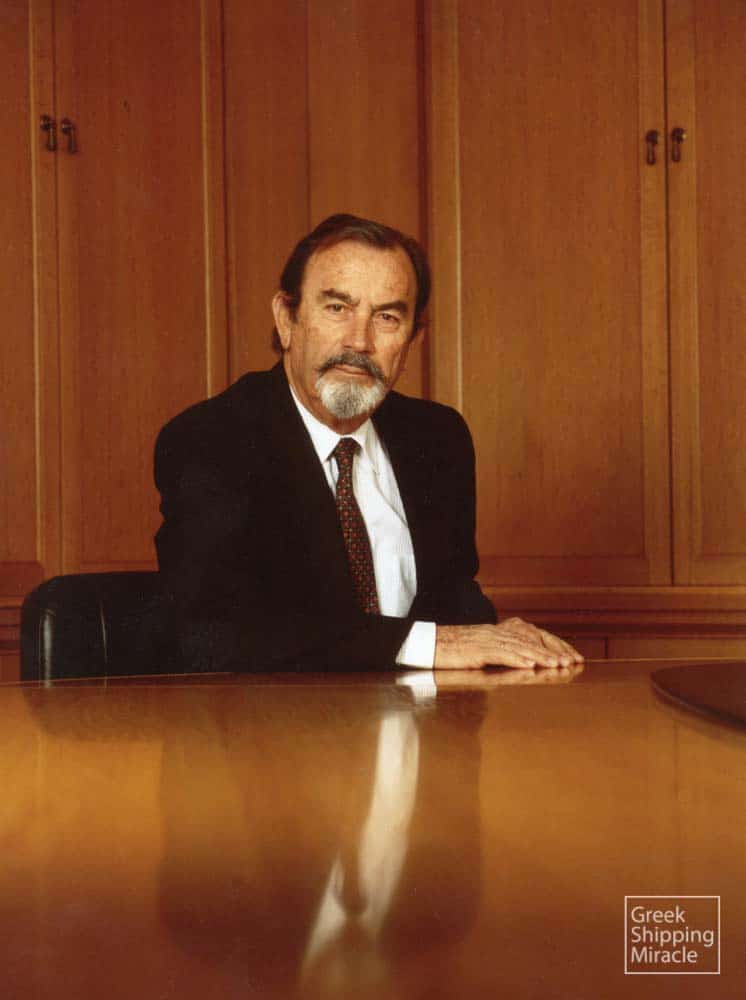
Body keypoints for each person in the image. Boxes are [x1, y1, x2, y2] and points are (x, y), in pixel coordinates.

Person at [154, 213, 583, 673]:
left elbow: (454, 598)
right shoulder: (212, 439)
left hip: (425, 715)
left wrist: (509, 644)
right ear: (286, 319)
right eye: (337, 308)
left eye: (387, 317)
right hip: (277, 717)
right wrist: (425, 644)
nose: (359, 341)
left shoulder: (439, 438)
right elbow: (214, 633)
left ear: (413, 337)